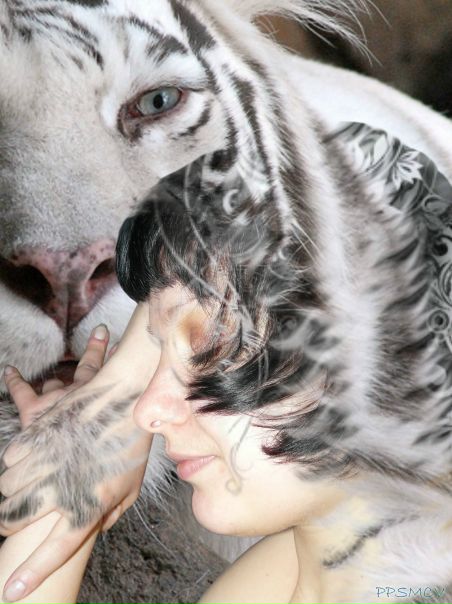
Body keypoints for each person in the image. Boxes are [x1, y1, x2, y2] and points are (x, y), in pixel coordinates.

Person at [0, 134, 452, 603]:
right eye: (157, 352)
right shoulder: (315, 567)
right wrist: (80, 447)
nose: (146, 412)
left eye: (210, 350)